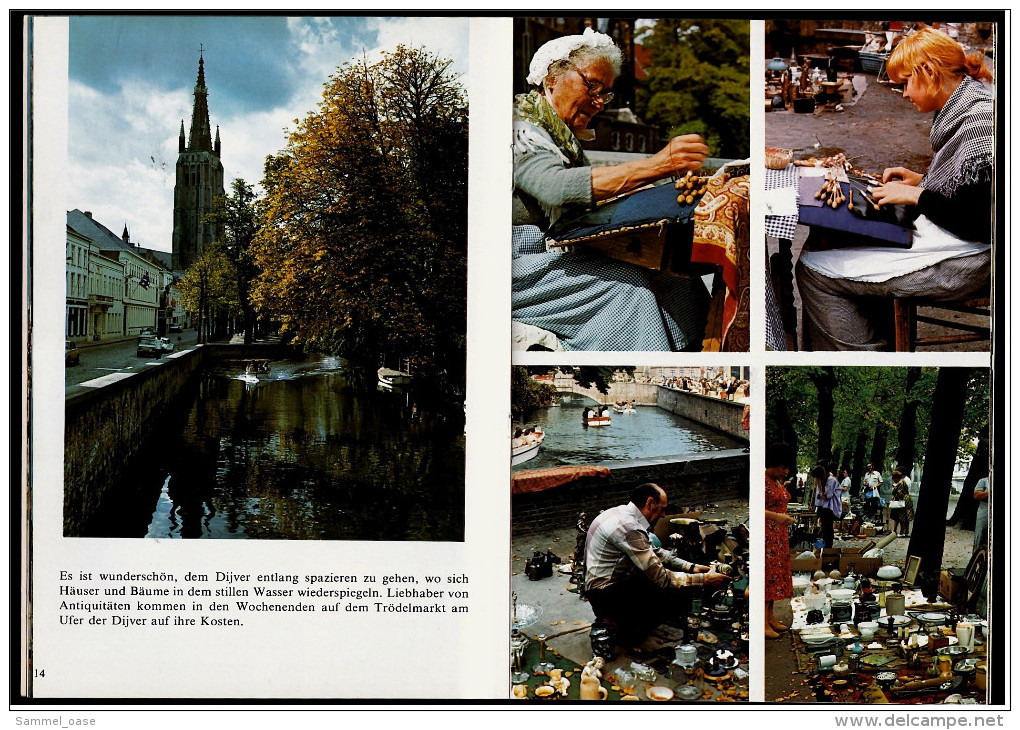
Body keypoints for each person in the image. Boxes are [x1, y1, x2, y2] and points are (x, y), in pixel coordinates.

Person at [512, 28, 712, 351]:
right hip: (520, 264)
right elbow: (555, 188)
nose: (598, 102)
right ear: (551, 80)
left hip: (555, 250)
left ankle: (703, 351)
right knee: (631, 291)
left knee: (676, 278)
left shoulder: (563, 138)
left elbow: (581, 200)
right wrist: (657, 165)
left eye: (604, 93)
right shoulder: (521, 129)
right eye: (591, 85)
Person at [796, 26, 993, 350]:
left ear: (928, 72)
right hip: (962, 243)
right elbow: (973, 186)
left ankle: (860, 358)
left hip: (973, 260)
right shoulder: (971, 103)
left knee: (813, 267)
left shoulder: (981, 120)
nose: (902, 94)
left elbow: (981, 222)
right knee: (826, 239)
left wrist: (921, 195)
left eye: (904, 83)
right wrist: (925, 180)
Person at [584, 483, 728, 648]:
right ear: (649, 503)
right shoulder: (629, 528)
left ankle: (616, 619)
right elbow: (663, 579)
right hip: (605, 593)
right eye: (662, 508)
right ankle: (614, 623)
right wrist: (703, 579)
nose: (663, 514)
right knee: (666, 598)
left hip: (607, 584)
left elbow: (655, 552)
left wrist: (690, 566)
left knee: (672, 582)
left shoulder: (620, 513)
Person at [765, 443, 797, 639]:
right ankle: (761, 621)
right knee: (767, 577)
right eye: (783, 468)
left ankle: (770, 616)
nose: (786, 472)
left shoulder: (776, 480)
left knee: (775, 577)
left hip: (778, 537)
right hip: (768, 536)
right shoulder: (763, 480)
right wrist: (777, 517)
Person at [813, 464, 842, 548]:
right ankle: (825, 545)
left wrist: (820, 488)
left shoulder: (831, 480)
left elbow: (827, 496)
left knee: (828, 527)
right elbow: (818, 496)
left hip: (830, 508)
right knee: (824, 527)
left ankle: (828, 546)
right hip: (823, 507)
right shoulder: (821, 482)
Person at [889, 470, 914, 536]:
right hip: (907, 499)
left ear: (896, 477)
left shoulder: (900, 483)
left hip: (903, 500)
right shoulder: (903, 481)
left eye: (893, 478)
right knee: (906, 516)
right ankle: (906, 531)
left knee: (902, 516)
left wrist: (895, 491)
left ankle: (902, 531)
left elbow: (900, 493)